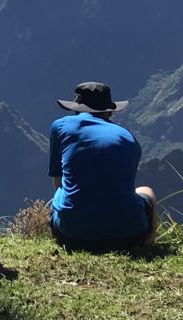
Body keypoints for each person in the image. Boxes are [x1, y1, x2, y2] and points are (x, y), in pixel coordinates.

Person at [48, 82, 158, 251]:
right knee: (146, 191)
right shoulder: (127, 137)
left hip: (71, 234)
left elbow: (59, 182)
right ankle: (147, 245)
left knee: (59, 195)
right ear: (109, 112)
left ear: (76, 109)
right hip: (128, 235)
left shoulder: (60, 126)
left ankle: (66, 240)